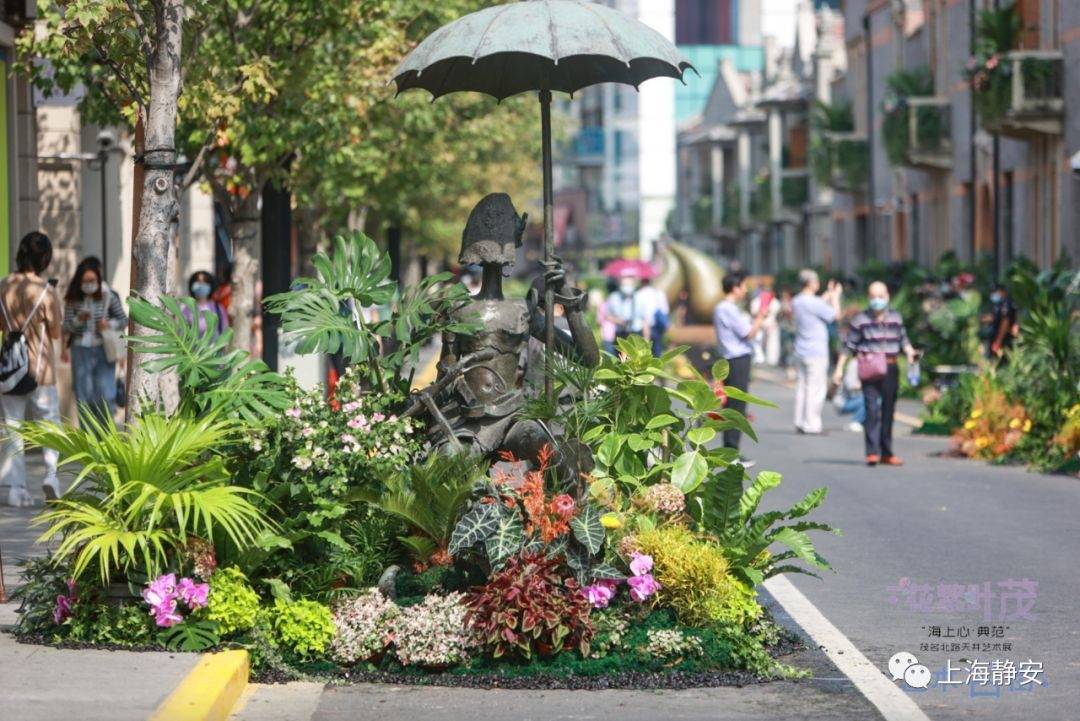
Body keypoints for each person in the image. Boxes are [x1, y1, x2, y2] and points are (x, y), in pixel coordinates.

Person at [1, 231, 63, 506]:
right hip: (40, 372)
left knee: (12, 429)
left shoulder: (3, 285)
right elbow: (56, 332)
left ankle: (16, 489)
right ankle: (51, 475)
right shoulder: (46, 290)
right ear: (45, 259)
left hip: (10, 370)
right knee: (49, 426)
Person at [832, 281, 918, 466]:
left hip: (891, 366)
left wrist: (910, 352)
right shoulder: (861, 320)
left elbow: (903, 339)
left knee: (888, 410)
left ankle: (886, 452)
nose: (877, 300)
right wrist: (839, 369)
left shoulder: (895, 317)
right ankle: (872, 452)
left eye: (880, 296)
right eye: (873, 297)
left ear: (887, 296)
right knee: (871, 409)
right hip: (869, 368)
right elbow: (849, 346)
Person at [712, 272, 768, 464]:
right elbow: (748, 333)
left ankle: (730, 450)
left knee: (732, 405)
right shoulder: (727, 308)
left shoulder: (724, 308)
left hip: (731, 359)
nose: (745, 290)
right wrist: (761, 317)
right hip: (737, 359)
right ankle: (731, 452)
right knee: (736, 407)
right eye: (743, 286)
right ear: (734, 287)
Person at [63, 257, 127, 425]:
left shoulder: (109, 296)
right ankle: (87, 440)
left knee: (105, 395)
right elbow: (67, 327)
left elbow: (123, 320)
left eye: (92, 280)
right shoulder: (73, 298)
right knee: (83, 396)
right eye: (85, 281)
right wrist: (78, 320)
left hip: (103, 349)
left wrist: (108, 324)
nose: (88, 284)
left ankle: (106, 437)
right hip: (80, 349)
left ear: (99, 279)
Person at [792, 269, 842, 434]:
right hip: (816, 351)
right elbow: (836, 315)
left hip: (800, 349)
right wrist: (835, 297)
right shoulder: (814, 303)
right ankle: (812, 424)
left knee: (802, 387)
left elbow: (815, 305)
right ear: (811, 283)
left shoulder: (797, 301)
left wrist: (827, 294)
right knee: (816, 388)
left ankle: (800, 421)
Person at [604, 271, 649, 347]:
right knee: (621, 357)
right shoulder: (614, 298)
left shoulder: (639, 298)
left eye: (629, 284)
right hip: (621, 333)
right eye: (624, 284)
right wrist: (618, 321)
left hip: (636, 332)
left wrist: (646, 337)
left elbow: (644, 319)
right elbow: (607, 315)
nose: (627, 287)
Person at [181, 271, 229, 337]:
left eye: (204, 282)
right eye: (198, 281)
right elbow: (181, 332)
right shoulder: (187, 309)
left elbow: (224, 330)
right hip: (193, 346)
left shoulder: (218, 308)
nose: (201, 285)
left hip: (214, 346)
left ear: (210, 285)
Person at [634, 276, 669, 357]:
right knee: (657, 350)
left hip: (643, 326)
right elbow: (665, 310)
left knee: (644, 351)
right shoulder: (658, 293)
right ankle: (657, 367)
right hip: (657, 325)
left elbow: (637, 313)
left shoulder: (638, 294)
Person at [750, 280, 781, 366]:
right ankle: (759, 360)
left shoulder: (775, 302)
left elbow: (777, 314)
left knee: (772, 345)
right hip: (759, 326)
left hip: (771, 326)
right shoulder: (756, 301)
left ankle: (772, 361)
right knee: (758, 344)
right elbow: (754, 313)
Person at [832, 358, 866, 432]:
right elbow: (850, 385)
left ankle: (863, 422)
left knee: (874, 398)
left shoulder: (865, 363)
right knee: (868, 398)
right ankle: (855, 422)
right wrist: (866, 386)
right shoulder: (854, 363)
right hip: (842, 402)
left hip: (854, 399)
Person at [987, 282, 1018, 362]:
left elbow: (1005, 323)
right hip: (1000, 338)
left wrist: (998, 341)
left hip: (1004, 340)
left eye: (996, 292)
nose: (994, 295)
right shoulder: (1000, 304)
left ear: (1002, 291)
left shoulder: (1006, 304)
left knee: (1001, 362)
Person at [598, 277, 619, 355]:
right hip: (619, 333)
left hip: (607, 334)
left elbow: (600, 321)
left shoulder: (603, 304)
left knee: (611, 359)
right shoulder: (618, 303)